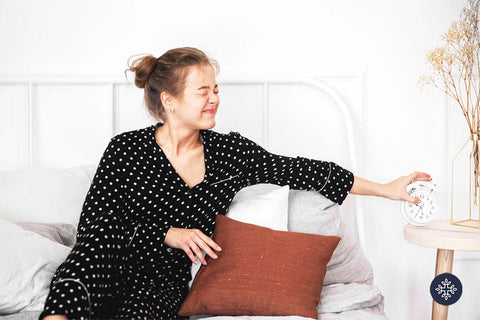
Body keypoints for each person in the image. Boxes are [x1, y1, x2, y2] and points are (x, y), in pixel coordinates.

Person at [40, 47, 430, 320]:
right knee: (99, 244)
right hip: (107, 264)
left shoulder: (230, 152)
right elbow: (93, 226)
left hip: (161, 285)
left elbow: (303, 169)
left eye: (216, 89)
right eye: (203, 91)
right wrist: (167, 233)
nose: (215, 98)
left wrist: (385, 188)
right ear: (169, 101)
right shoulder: (125, 150)